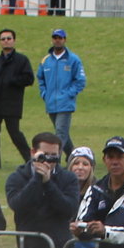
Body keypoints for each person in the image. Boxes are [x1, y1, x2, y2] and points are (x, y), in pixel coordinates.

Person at [5, 131, 80, 248]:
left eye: (55, 156)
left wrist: (48, 183)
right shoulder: (17, 178)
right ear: (33, 152)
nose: (50, 161)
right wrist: (37, 179)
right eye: (45, 155)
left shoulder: (68, 178)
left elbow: (69, 209)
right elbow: (18, 205)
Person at [0, 27, 35, 169]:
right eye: (3, 39)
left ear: (14, 41)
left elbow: (29, 78)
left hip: (12, 104)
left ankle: (29, 159)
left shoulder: (21, 60)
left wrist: (12, 81)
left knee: (15, 134)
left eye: (9, 38)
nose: (6, 41)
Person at [36, 29, 86, 157]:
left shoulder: (73, 59)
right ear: (52, 39)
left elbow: (80, 81)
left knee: (60, 133)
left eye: (60, 38)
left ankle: (54, 160)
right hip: (51, 103)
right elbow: (40, 78)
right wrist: (44, 94)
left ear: (65, 40)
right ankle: (72, 157)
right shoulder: (45, 60)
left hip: (65, 103)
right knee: (63, 133)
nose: (57, 40)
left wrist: (68, 94)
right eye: (55, 37)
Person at [66, 146, 98, 248]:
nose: (80, 168)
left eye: (85, 164)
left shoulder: (99, 191)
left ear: (91, 168)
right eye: (76, 163)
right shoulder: (62, 188)